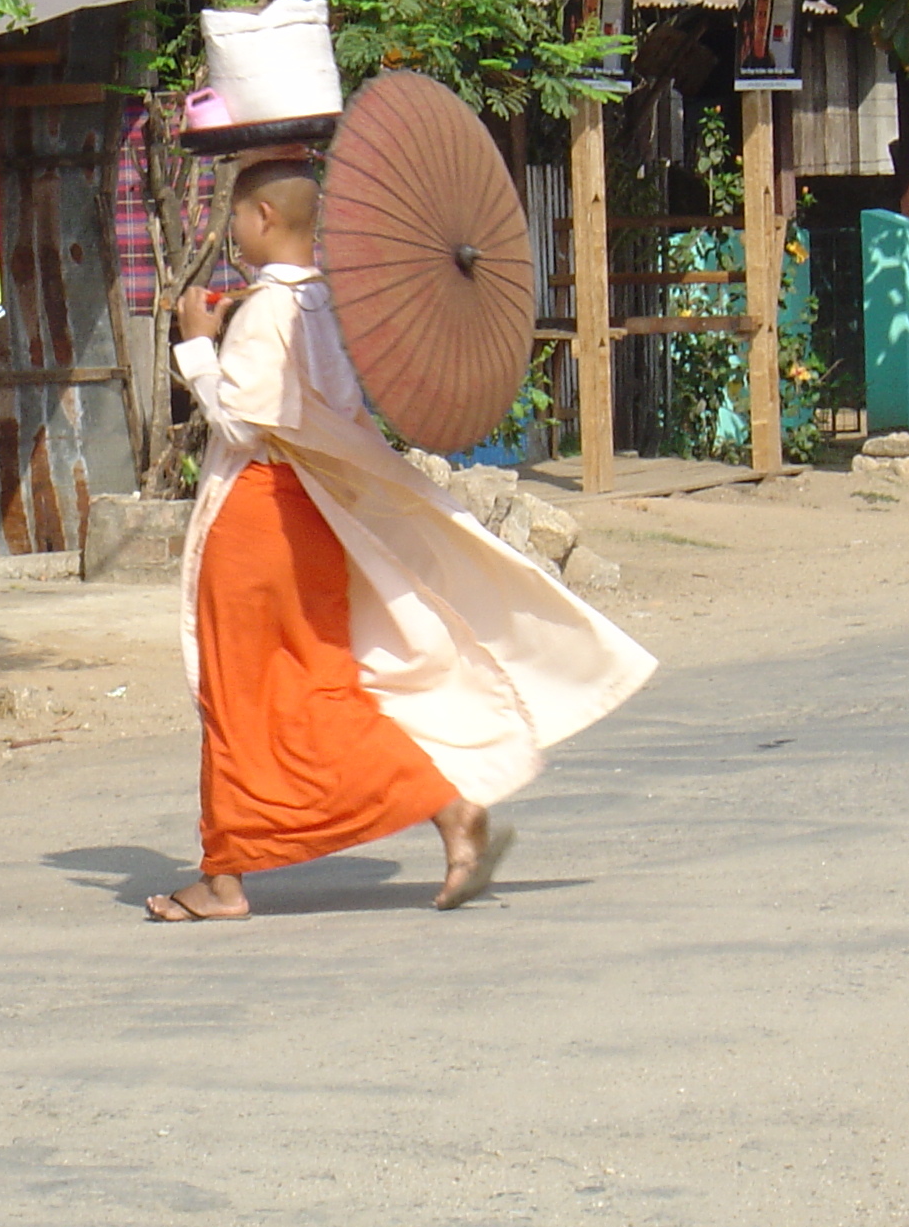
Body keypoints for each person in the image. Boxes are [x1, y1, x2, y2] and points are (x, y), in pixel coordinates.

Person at [147, 158, 656, 923]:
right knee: (313, 682)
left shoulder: (264, 314)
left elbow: (242, 422)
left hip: (256, 518)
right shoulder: (323, 309)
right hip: (308, 517)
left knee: (241, 692)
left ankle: (233, 874)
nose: (230, 232)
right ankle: (432, 814)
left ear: (260, 218)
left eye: (234, 217)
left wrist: (196, 347)